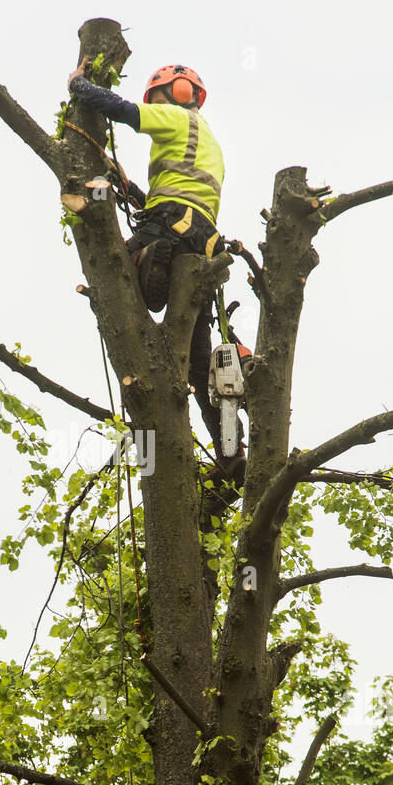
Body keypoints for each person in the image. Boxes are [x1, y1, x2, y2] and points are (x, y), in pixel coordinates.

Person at [66, 59, 244, 478]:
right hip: (197, 240)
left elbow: (124, 111)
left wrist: (81, 86)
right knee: (201, 367)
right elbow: (181, 190)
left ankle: (150, 261)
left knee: (116, 268)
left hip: (170, 227)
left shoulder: (178, 117)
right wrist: (128, 188)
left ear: (176, 93)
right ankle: (232, 452)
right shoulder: (209, 141)